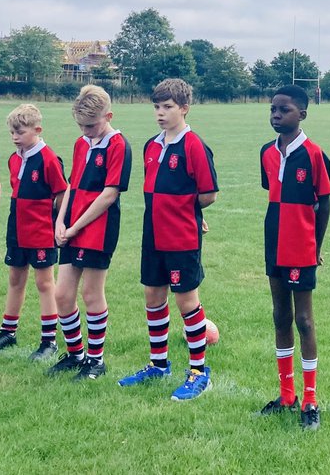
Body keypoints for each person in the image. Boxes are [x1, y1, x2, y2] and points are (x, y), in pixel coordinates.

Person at [118, 79, 219, 401]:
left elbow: (208, 194)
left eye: (168, 107)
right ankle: (158, 364)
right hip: (153, 233)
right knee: (152, 295)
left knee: (186, 301)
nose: (160, 113)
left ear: (184, 109)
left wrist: (186, 212)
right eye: (157, 107)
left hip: (181, 236)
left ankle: (199, 372)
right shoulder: (151, 145)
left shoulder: (194, 146)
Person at [258, 85, 330, 431]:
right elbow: (272, 195)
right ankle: (286, 394)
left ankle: (311, 398)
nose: (275, 115)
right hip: (274, 243)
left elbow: (325, 203)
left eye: (283, 110)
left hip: (301, 247)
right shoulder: (266, 153)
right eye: (273, 109)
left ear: (301, 114)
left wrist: (315, 247)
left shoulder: (315, 154)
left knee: (304, 320)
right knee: (279, 315)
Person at [49, 85, 132, 381]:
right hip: (71, 225)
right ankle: (75, 354)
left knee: (90, 292)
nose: (87, 131)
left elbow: (109, 194)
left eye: (92, 125)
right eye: (82, 126)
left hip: (98, 226)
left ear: (108, 115)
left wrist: (74, 226)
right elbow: (72, 184)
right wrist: (60, 220)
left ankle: (96, 361)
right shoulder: (81, 143)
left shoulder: (118, 145)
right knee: (62, 293)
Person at [0, 104, 68, 359]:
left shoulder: (49, 159)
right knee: (15, 279)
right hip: (17, 228)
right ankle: (8, 331)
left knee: (44, 282)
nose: (15, 137)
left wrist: (57, 223)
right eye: (11, 132)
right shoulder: (14, 158)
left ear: (37, 130)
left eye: (19, 131)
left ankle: (49, 340)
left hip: (41, 230)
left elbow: (62, 193)